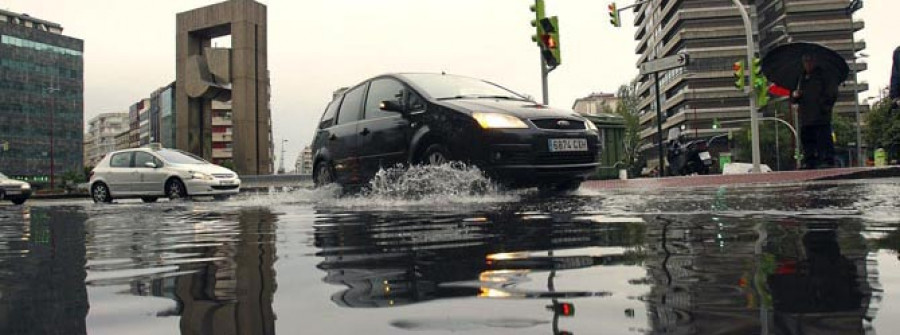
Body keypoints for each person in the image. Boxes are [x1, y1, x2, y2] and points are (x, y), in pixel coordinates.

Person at [792, 54, 839, 169]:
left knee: (823, 138)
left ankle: (827, 160)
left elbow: (831, 93)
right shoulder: (801, 78)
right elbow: (795, 97)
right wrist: (796, 96)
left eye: (809, 61)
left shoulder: (824, 76)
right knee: (807, 139)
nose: (807, 64)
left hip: (820, 115)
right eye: (805, 61)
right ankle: (810, 161)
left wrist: (823, 106)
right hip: (806, 115)